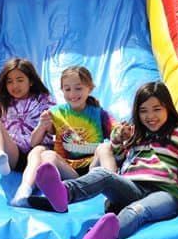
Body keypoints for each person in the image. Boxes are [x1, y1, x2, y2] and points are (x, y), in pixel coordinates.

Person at [34, 81, 178, 239]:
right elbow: (119, 159)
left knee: (137, 210)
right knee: (103, 174)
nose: (150, 116)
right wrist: (119, 141)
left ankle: (101, 237)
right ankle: (64, 193)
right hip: (132, 187)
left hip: (165, 192)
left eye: (157, 109)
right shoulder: (137, 133)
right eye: (143, 111)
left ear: (168, 107)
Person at [13, 66, 115, 207]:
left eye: (78, 88)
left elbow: (115, 133)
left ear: (89, 88)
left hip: (92, 170)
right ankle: (31, 192)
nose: (73, 93)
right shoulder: (56, 113)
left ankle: (112, 194)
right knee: (47, 155)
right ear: (62, 90)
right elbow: (33, 142)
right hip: (69, 171)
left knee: (105, 147)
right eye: (67, 89)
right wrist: (42, 125)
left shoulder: (98, 113)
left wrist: (122, 132)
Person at [0, 58, 55, 183]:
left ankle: (31, 182)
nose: (15, 86)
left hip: (37, 153)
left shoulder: (43, 100)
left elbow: (54, 129)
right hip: (14, 154)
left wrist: (48, 125)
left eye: (20, 80)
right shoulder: (4, 102)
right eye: (10, 82)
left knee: (38, 150)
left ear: (30, 81)